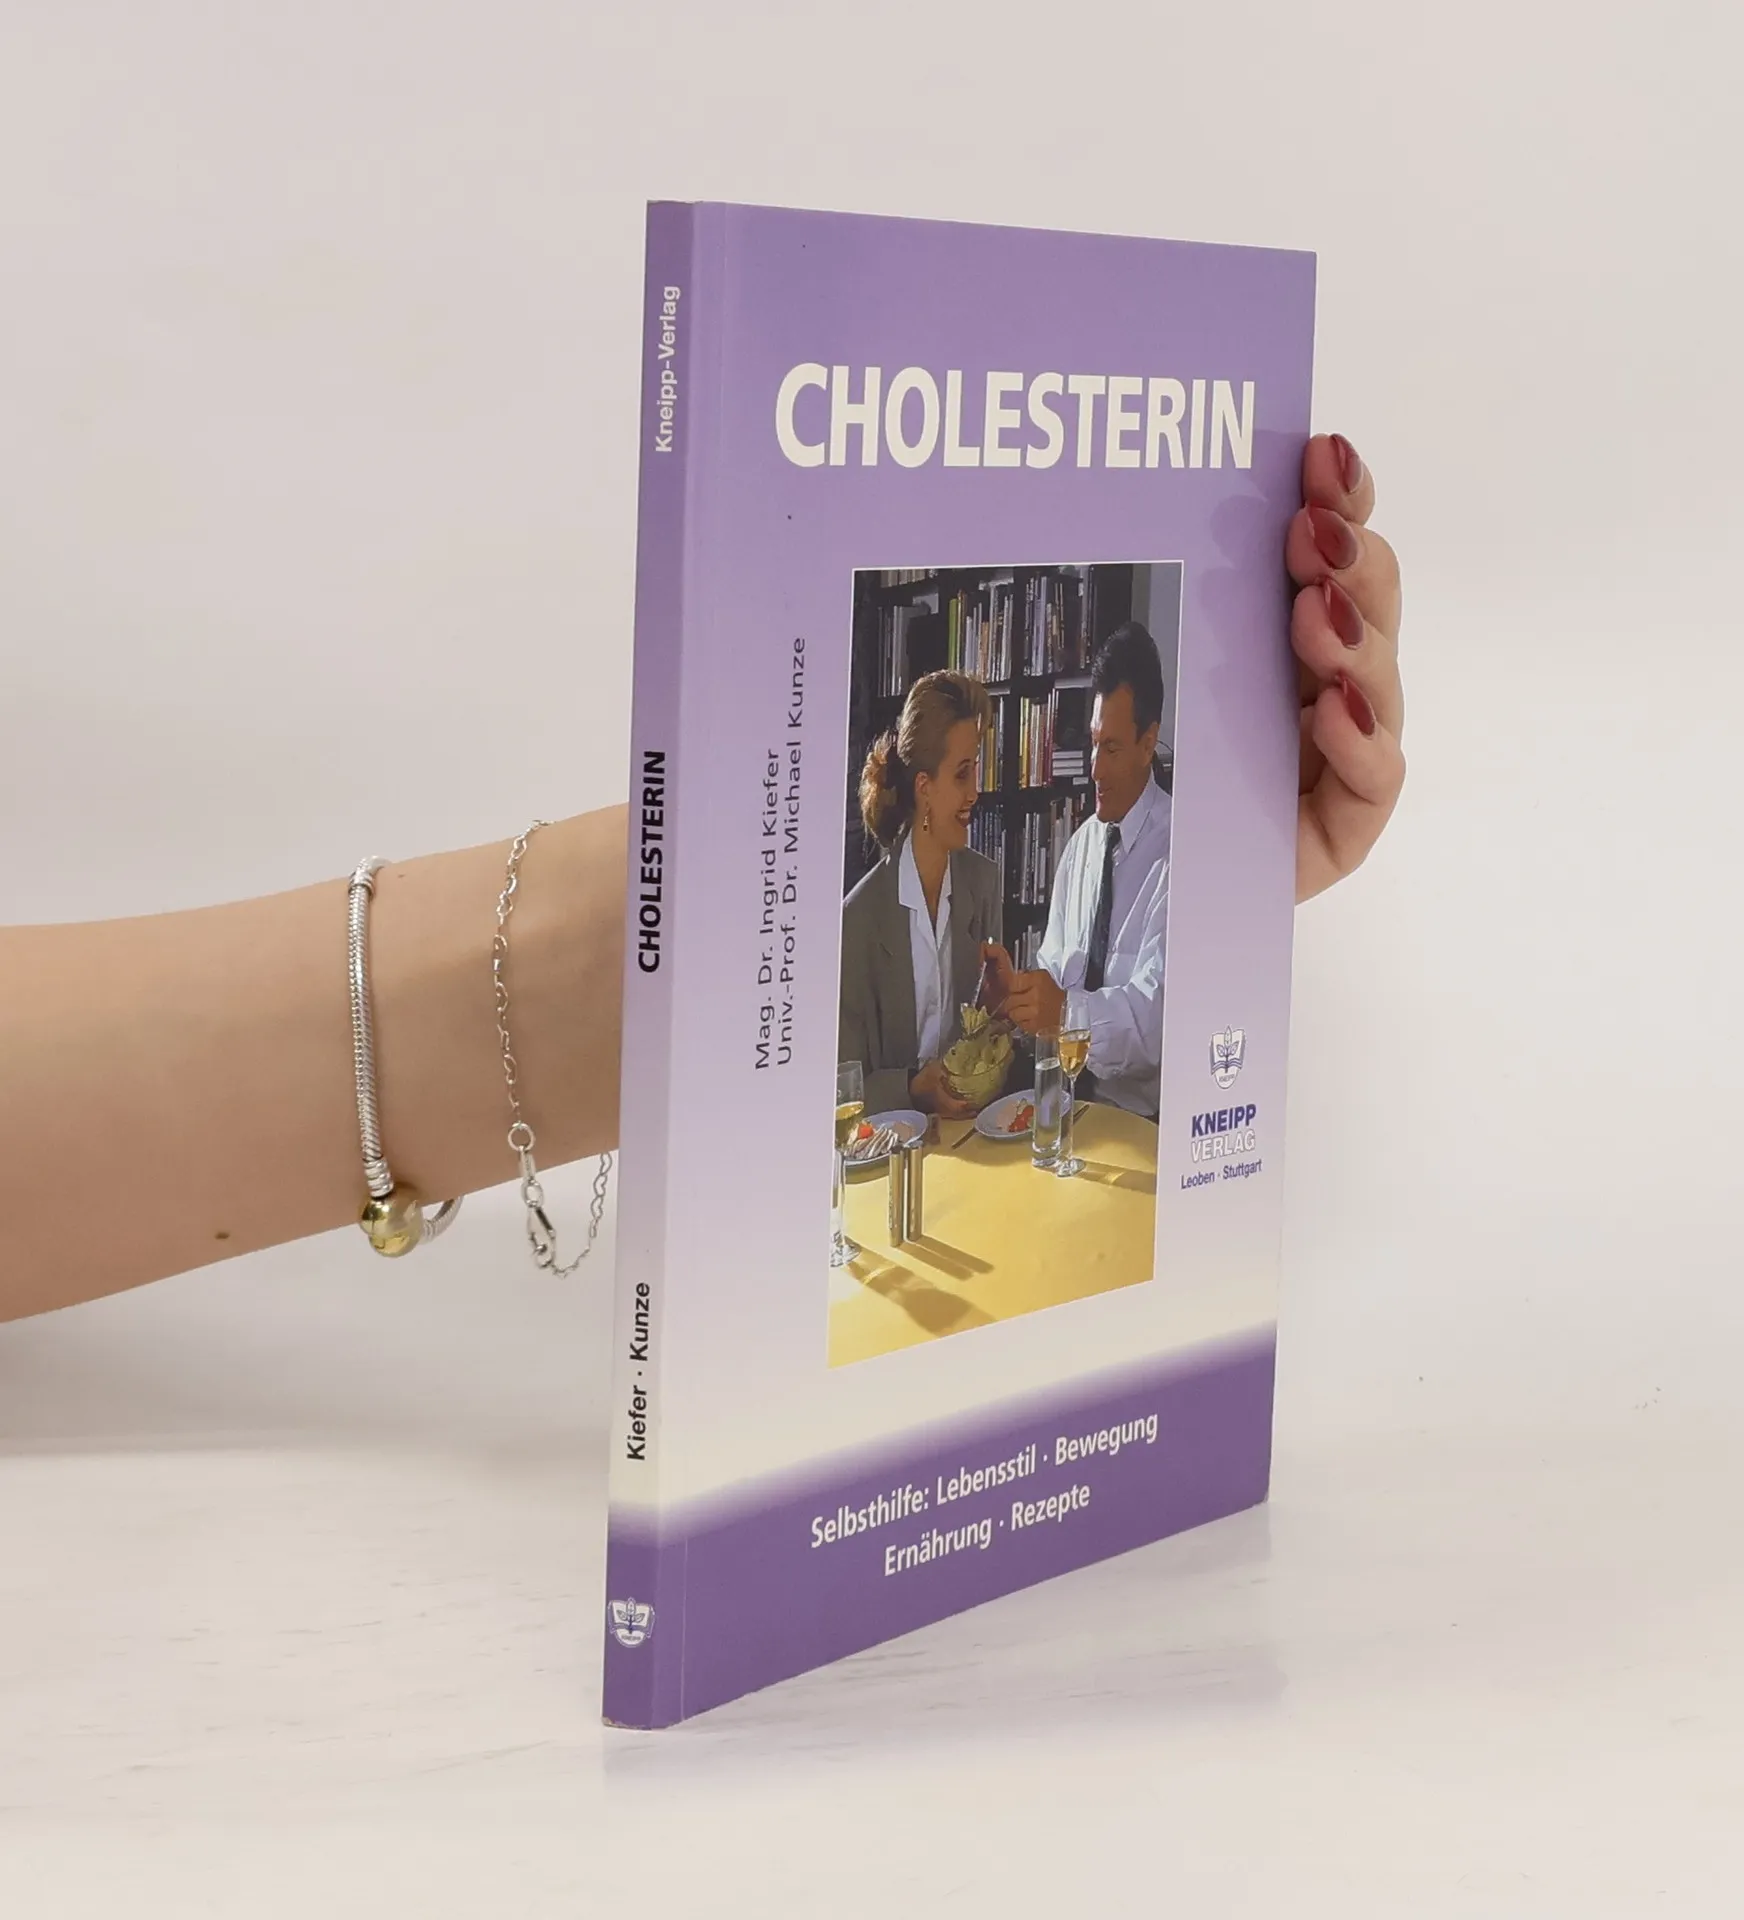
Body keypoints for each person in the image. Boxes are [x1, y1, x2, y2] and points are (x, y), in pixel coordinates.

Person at [0, 432, 1404, 1323]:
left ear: (1155, 744)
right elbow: (861, 1076)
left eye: (1101, 748)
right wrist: (648, 950)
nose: (1029, 785)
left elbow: (1081, 1017)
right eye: (978, 773)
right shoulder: (871, 914)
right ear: (924, 781)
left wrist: (1027, 1018)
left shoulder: (995, 885)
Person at [985, 621, 1170, 1119]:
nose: (1094, 769)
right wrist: (1020, 996)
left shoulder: (1183, 857)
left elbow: (1155, 1022)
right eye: (1093, 743)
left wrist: (1067, 1013)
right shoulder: (1080, 847)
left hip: (1141, 1124)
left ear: (1149, 742)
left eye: (1112, 748)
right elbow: (1056, 969)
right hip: (1064, 1108)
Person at [838, 670, 1001, 1119]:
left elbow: (989, 1049)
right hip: (892, 1145)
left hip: (972, 1133)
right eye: (962, 774)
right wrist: (911, 1088)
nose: (975, 792)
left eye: (975, 770)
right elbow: (841, 1090)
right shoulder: (858, 921)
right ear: (924, 788)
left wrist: (1002, 1009)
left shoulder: (983, 885)